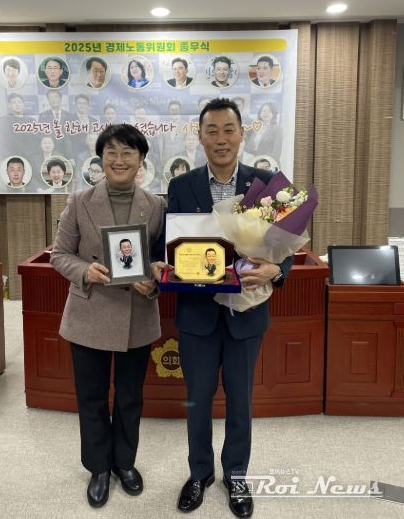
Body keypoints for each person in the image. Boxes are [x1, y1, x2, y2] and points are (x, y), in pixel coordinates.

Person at [165, 98, 292, 518]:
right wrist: (164, 263)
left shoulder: (266, 183)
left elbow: (286, 246)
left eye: (228, 130)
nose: (221, 139)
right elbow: (170, 243)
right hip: (197, 314)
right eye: (212, 130)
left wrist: (276, 269)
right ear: (200, 136)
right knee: (197, 399)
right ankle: (199, 473)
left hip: (247, 312)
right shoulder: (182, 186)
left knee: (240, 401)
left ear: (241, 134)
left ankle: (236, 474)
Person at [50, 123, 165, 509]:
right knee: (92, 396)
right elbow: (59, 255)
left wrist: (154, 282)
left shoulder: (156, 205)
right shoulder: (79, 201)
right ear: (100, 158)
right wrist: (85, 270)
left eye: (128, 152)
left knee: (131, 397)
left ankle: (124, 463)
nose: (119, 159)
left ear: (141, 159)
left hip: (137, 313)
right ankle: (99, 467)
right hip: (91, 312)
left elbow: (160, 262)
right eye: (111, 152)